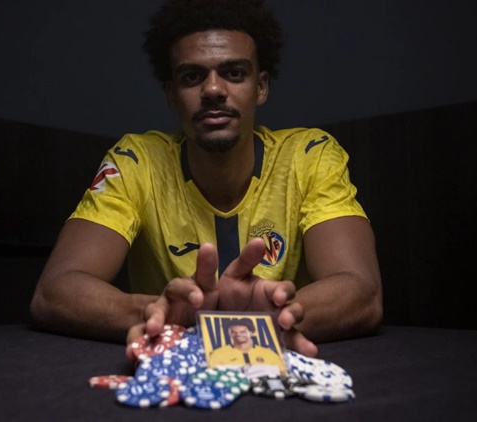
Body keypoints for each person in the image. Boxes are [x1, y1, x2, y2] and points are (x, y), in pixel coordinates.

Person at [29, 0, 383, 360]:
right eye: (192, 76)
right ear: (171, 94)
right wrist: (155, 312)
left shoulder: (310, 156)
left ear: (261, 86)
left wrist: (268, 320)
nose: (213, 89)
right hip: (174, 373)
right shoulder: (137, 161)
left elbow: (362, 293)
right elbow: (54, 291)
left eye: (234, 73)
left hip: (285, 370)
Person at [207, 318, 287, 377]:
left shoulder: (269, 353)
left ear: (251, 332)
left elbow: (282, 375)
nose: (238, 334)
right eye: (233, 332)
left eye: (242, 332)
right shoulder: (218, 354)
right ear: (229, 334)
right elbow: (213, 376)